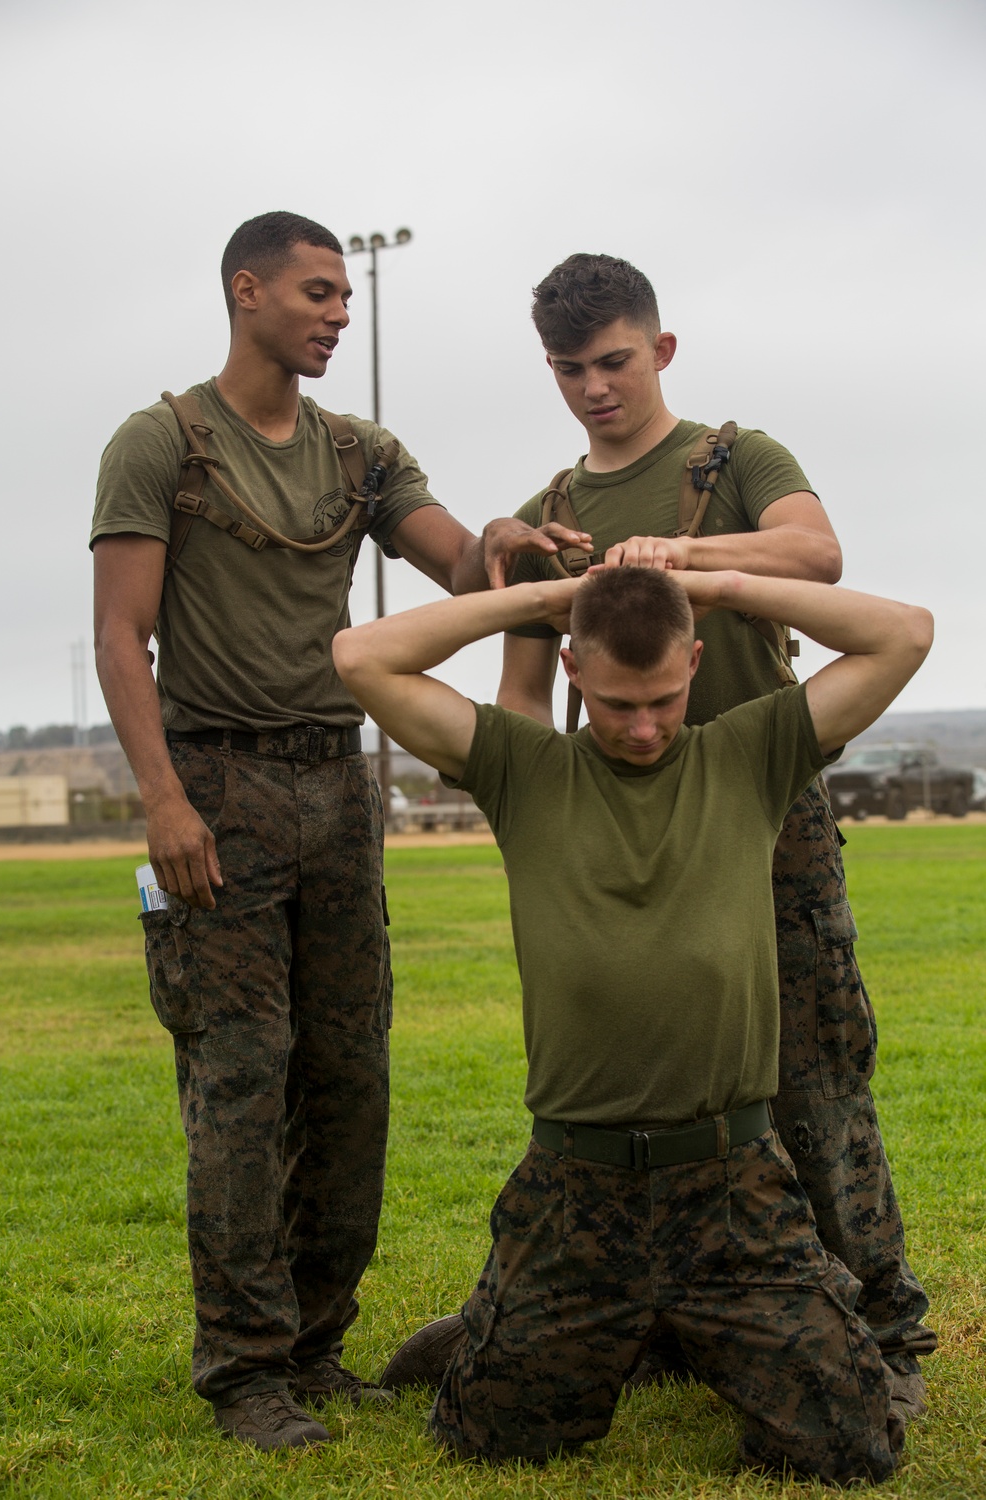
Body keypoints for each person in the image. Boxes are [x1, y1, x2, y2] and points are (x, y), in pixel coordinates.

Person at [90, 211, 582, 1451]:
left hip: (337, 787)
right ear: (245, 292)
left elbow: (462, 566)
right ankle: (244, 1370)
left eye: (346, 300)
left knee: (350, 1078)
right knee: (241, 1086)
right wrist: (162, 801)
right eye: (316, 294)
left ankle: (317, 1346)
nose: (335, 314)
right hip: (218, 786)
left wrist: (506, 545)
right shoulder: (162, 442)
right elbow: (119, 635)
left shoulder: (359, 451)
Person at [332, 562, 932, 1482]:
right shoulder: (520, 768)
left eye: (662, 698)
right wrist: (543, 598)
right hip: (577, 1188)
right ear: (571, 667)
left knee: (850, 1448)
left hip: (734, 1187)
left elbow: (905, 633)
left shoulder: (751, 752)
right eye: (617, 703)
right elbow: (361, 655)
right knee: (489, 1441)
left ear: (694, 661)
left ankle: (682, 1327)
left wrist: (725, 582)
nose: (644, 727)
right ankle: (514, 1327)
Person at [494, 254, 936, 1409]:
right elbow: (528, 678)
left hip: (762, 800)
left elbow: (816, 555)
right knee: (651, 1087)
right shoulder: (559, 507)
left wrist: (685, 557)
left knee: (817, 1070)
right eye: (569, 370)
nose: (595, 389)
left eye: (614, 362)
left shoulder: (735, 460)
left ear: (661, 352)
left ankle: (882, 1322)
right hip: (619, 817)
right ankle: (677, 1312)